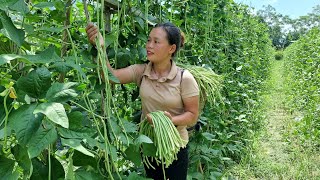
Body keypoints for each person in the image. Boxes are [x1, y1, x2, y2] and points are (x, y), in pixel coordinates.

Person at [86, 22, 199, 180]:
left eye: (156, 42)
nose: (149, 46)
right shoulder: (141, 71)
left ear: (171, 49)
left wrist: (169, 121)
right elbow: (109, 77)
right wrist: (101, 47)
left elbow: (193, 115)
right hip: (148, 146)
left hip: (175, 147)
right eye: (148, 40)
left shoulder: (184, 78)